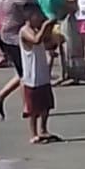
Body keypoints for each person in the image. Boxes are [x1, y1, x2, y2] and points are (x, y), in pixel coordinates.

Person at [0, 0, 44, 121]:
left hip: (13, 35)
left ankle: (0, 97)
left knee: (22, 72)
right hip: (13, 37)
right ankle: (27, 106)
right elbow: (34, 16)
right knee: (26, 73)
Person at [20, 8, 60, 144]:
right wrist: (45, 26)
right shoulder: (25, 31)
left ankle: (43, 129)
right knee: (33, 109)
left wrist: (50, 30)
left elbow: (48, 43)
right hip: (32, 77)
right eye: (37, 16)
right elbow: (36, 40)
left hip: (42, 74)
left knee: (46, 106)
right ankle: (33, 133)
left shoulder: (37, 30)